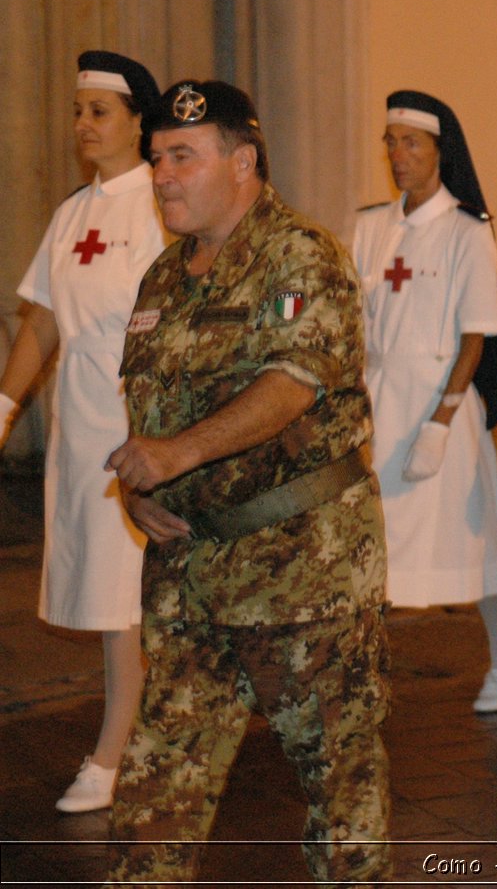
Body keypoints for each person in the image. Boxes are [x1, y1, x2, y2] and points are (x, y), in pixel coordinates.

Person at [104, 80, 390, 883]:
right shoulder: (164, 278)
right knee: (157, 783)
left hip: (303, 571)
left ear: (243, 161)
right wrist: (142, 484)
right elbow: (152, 408)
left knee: (339, 781)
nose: (162, 176)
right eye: (156, 158)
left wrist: (176, 456)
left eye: (182, 157)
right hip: (190, 577)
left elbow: (291, 384)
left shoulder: (301, 256)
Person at [0, 51, 163, 814]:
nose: (83, 125)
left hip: (140, 424)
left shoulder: (161, 206)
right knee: (109, 592)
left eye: (99, 111)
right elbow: (42, 317)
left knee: (122, 594)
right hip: (80, 427)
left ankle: (111, 751)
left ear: (139, 120)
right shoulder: (74, 212)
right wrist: (2, 407)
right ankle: (136, 732)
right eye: (78, 111)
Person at [353, 90, 497, 713]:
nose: (398, 155)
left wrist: (442, 420)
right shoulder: (372, 226)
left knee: (465, 542)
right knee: (367, 545)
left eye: (412, 144)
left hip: (438, 406)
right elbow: (346, 312)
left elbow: (476, 334)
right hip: (378, 403)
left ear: (439, 152)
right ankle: (359, 673)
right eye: (391, 142)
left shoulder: (466, 232)